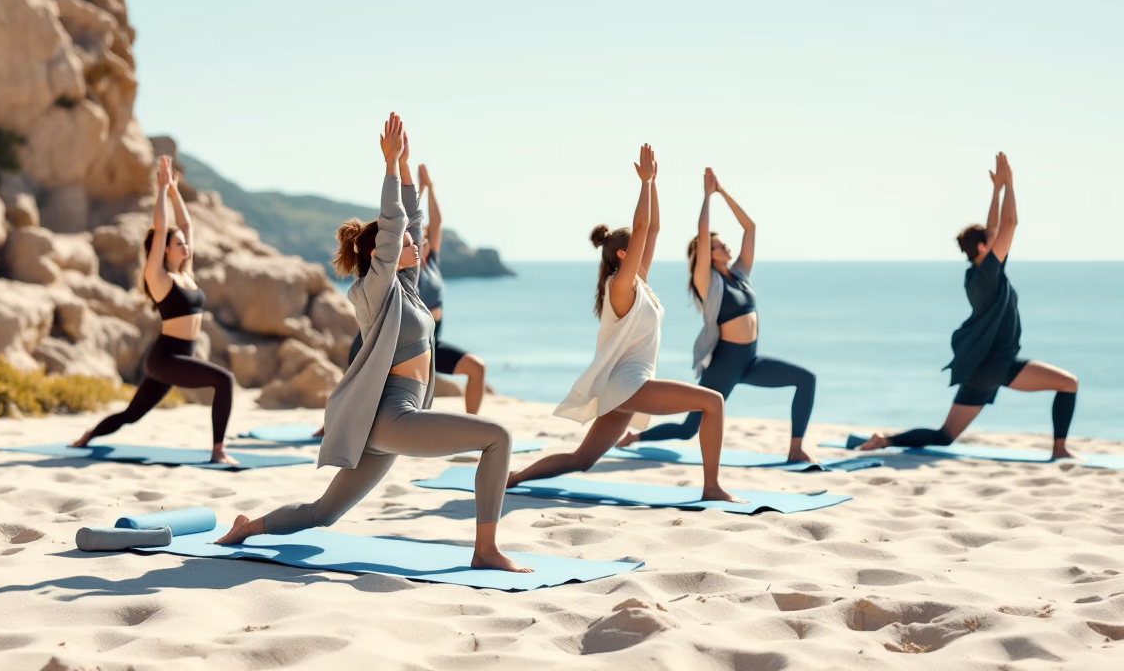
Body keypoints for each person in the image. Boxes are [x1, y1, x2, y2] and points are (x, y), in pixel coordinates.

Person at [216, 114, 529, 573]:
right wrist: (387, 165)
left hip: (394, 420)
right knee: (497, 438)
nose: (414, 245)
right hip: (392, 416)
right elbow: (395, 221)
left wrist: (404, 168)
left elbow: (411, 218)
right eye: (403, 243)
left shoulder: (408, 288)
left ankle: (248, 526)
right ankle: (484, 550)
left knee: (323, 513)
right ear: (380, 252)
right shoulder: (372, 291)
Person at [507, 146, 742, 503]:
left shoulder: (638, 284)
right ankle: (711, 486)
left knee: (582, 460)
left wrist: (654, 185)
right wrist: (643, 183)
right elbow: (643, 226)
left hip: (626, 387)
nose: (643, 248)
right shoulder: (619, 287)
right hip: (630, 385)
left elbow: (654, 228)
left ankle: (513, 477)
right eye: (635, 248)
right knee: (713, 402)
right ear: (621, 255)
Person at [858, 153, 1079, 459]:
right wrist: (1010, 183)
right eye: (992, 238)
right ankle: (1060, 451)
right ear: (981, 247)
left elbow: (993, 227)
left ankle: (884, 440)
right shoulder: (988, 273)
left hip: (983, 368)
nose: (998, 237)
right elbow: (1009, 224)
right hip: (997, 365)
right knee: (1068, 383)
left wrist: (997, 190)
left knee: (946, 435)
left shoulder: (978, 273)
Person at [617, 168, 817, 463]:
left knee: (806, 379)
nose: (726, 246)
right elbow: (702, 232)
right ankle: (635, 437)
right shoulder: (708, 283)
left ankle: (795, 449)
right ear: (707, 254)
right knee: (689, 430)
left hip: (750, 361)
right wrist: (707, 198)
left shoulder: (740, 275)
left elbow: (750, 228)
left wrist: (723, 192)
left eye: (724, 244)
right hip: (724, 363)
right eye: (719, 245)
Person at [71, 156, 238, 465]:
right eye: (179, 243)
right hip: (166, 358)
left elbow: (184, 225)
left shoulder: (186, 273)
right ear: (165, 249)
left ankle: (86, 437)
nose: (186, 245)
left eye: (185, 243)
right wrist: (160, 191)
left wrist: (174, 190)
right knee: (224, 380)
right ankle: (218, 451)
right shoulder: (159, 278)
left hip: (181, 358)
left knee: (132, 415)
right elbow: (160, 228)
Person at [412, 163, 491, 414]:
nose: (423, 242)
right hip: (410, 345)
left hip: (435, 342)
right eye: (417, 239)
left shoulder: (432, 262)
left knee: (476, 368)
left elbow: (436, 223)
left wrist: (430, 188)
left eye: (424, 239)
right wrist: (417, 194)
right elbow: (402, 221)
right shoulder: (404, 269)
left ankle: (471, 425)